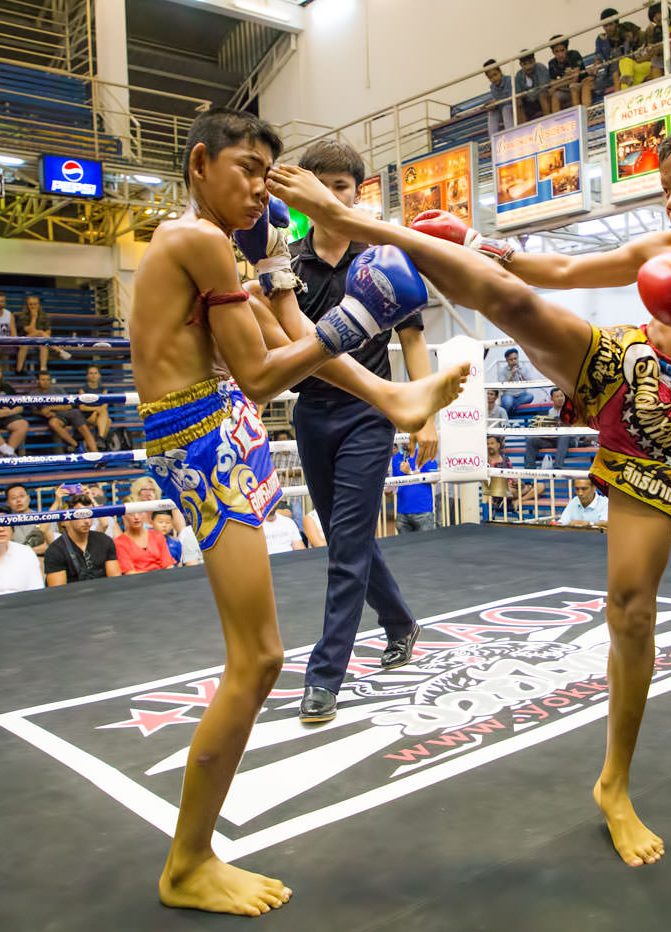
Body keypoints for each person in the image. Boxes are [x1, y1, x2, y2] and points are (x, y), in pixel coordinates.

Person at [269, 117, 671, 868]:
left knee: (631, 610)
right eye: (664, 187)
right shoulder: (659, 250)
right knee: (516, 304)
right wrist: (488, 250)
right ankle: (363, 225)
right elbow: (560, 275)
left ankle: (615, 785)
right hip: (623, 369)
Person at [130, 107, 465, 917]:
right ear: (201, 162)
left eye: (268, 173)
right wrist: (362, 316)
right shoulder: (197, 240)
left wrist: (380, 378)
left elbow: (291, 332)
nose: (259, 188)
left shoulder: (233, 241)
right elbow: (259, 374)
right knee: (257, 660)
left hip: (219, 427)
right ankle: (187, 862)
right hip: (205, 436)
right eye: (247, 168)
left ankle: (390, 395)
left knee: (263, 656)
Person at [285, 139, 442, 725]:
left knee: (344, 546)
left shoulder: (383, 257)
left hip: (368, 416)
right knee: (348, 537)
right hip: (312, 415)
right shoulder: (290, 265)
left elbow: (412, 340)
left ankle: (324, 676)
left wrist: (424, 413)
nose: (331, 196)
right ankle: (399, 622)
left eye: (342, 187)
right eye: (320, 185)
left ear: (358, 191)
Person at [43, 492, 121, 586]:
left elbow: (116, 583)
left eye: (90, 515)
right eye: (81, 515)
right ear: (66, 520)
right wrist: (57, 501)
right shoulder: (55, 550)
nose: (87, 521)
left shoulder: (105, 541)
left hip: (104, 596)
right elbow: (58, 594)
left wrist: (92, 500)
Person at [35, 370, 100, 452]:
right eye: (43, 380)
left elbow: (68, 405)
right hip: (56, 417)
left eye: (48, 380)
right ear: (37, 381)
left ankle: (96, 454)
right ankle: (77, 446)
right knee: (53, 423)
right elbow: (35, 411)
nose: (46, 382)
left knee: (84, 429)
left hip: (70, 413)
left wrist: (51, 408)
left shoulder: (57, 389)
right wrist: (43, 413)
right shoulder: (34, 393)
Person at [15, 294, 71, 374]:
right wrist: (34, 318)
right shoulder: (23, 316)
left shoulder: (44, 316)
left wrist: (40, 334)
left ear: (39, 305)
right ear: (27, 305)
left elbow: (48, 332)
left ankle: (43, 370)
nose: (33, 306)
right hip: (26, 339)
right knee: (39, 334)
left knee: (44, 344)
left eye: (35, 304)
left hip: (40, 340)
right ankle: (59, 351)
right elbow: (29, 330)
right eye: (30, 304)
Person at [114, 501, 175, 574]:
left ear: (145, 514)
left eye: (140, 512)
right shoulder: (119, 542)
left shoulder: (157, 536)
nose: (136, 517)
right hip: (138, 583)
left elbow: (168, 566)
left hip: (163, 580)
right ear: (123, 516)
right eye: (131, 513)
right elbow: (129, 573)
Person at [391, 445, 438, 533]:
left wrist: (410, 472)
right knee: (404, 546)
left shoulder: (424, 454)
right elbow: (395, 484)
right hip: (402, 512)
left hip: (423, 511)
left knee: (426, 545)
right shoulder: (396, 457)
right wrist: (388, 491)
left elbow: (435, 478)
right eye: (400, 432)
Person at [525, 387, 573, 469]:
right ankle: (530, 470)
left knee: (564, 436)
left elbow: (570, 428)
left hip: (569, 440)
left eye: (562, 396)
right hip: (553, 440)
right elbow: (550, 428)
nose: (560, 398)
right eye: (557, 396)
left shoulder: (571, 410)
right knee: (531, 440)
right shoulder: (550, 412)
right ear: (552, 399)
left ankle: (557, 468)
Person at [4, 483, 54, 556]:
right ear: (8, 503)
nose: (18, 500)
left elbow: (51, 545)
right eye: (14, 498)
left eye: (22, 496)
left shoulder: (43, 518)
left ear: (29, 498)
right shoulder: (5, 523)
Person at [546, 35, 592, 110]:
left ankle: (583, 116)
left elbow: (575, 79)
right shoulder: (551, 63)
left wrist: (557, 85)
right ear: (553, 52)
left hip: (581, 83)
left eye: (562, 50)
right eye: (556, 52)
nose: (560, 54)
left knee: (573, 87)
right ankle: (556, 121)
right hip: (565, 90)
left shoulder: (574, 55)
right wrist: (566, 78)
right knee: (555, 96)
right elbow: (552, 83)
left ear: (567, 49)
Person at [495, 347, 540, 417]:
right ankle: (511, 412)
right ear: (506, 360)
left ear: (518, 358)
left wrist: (521, 374)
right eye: (511, 359)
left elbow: (530, 382)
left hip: (521, 395)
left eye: (515, 359)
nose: (514, 361)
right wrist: (511, 376)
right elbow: (501, 388)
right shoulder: (502, 371)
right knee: (507, 402)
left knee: (530, 396)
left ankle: (512, 410)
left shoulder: (523, 368)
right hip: (508, 395)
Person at [77, 365, 114, 449]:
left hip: (99, 415)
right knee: (107, 421)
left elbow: (105, 405)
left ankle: (97, 443)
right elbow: (82, 407)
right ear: (87, 376)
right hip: (87, 416)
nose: (93, 375)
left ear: (99, 375)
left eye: (95, 373)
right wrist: (95, 410)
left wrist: (97, 412)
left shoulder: (103, 389)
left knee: (108, 420)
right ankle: (100, 440)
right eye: (91, 373)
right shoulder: (83, 390)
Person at [514, 50, 552, 123]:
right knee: (518, 103)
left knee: (542, 95)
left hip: (543, 98)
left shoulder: (541, 68)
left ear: (534, 60)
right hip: (529, 103)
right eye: (525, 64)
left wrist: (528, 94)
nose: (528, 67)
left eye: (530, 63)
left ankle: (548, 123)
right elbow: (518, 93)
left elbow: (543, 88)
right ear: (520, 65)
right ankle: (522, 130)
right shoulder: (519, 75)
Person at [481, 59, 514, 136]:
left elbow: (512, 100)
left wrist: (497, 103)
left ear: (500, 72)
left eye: (495, 75)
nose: (494, 79)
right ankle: (492, 139)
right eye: (490, 77)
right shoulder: (492, 87)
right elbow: (497, 104)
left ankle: (510, 135)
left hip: (512, 110)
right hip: (502, 111)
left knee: (506, 109)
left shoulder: (509, 80)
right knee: (492, 113)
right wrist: (491, 106)